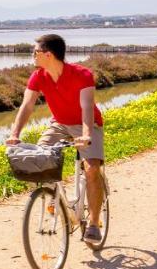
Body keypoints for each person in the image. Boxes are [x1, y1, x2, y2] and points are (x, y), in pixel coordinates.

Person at [6, 33, 106, 242]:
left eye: (35, 52)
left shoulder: (82, 75)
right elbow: (27, 106)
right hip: (59, 123)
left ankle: (94, 223)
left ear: (48, 54)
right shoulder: (38, 76)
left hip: (86, 124)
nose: (32, 56)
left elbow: (86, 107)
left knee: (91, 169)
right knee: (40, 160)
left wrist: (87, 134)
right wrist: (15, 134)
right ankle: (55, 199)